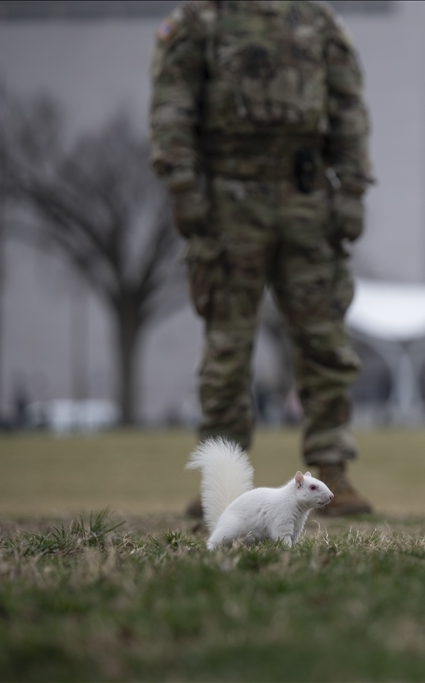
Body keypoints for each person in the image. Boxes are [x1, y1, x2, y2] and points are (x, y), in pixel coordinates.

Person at [149, 0, 374, 516]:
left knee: (324, 339)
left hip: (306, 198)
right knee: (228, 344)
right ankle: (222, 486)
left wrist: (352, 188)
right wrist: (183, 186)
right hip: (229, 198)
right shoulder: (200, 20)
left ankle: (332, 469)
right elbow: (172, 106)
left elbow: (347, 107)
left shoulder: (316, 19)